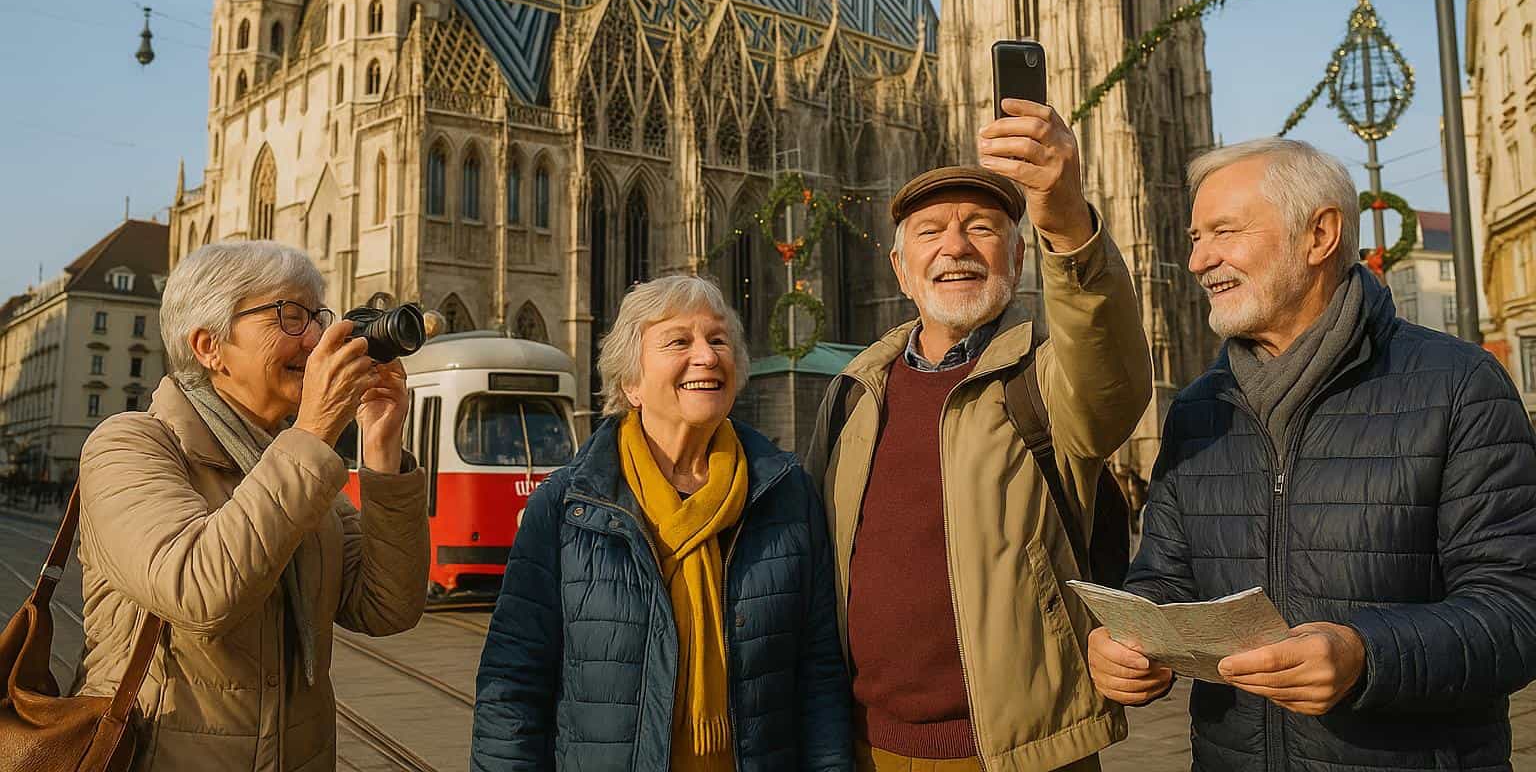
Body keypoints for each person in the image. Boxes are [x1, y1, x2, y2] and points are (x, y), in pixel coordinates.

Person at [1089, 138, 1536, 769]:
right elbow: (1164, 578)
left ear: (1319, 235)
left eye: (1224, 232)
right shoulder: (1198, 410)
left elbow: (1517, 611)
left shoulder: (1458, 385)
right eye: (1194, 237)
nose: (1197, 260)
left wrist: (1365, 654)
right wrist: (1130, 645)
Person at [801, 97, 1154, 772]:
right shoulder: (854, 393)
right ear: (901, 270)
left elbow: (1108, 373)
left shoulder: (1044, 381)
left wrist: (1069, 225)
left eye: (982, 229)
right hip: (865, 748)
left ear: (1021, 257)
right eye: (930, 232)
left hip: (1016, 752)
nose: (956, 247)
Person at [72, 242, 430, 771]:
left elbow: (386, 608)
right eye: (288, 315)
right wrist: (313, 431)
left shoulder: (301, 465)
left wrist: (380, 451)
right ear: (209, 347)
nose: (315, 338)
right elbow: (199, 592)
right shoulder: (128, 446)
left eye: (316, 315)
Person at [472, 275, 851, 772]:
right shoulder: (566, 506)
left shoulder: (785, 494)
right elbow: (513, 686)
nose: (708, 355)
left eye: (718, 340)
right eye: (678, 341)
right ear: (631, 382)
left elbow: (819, 677)